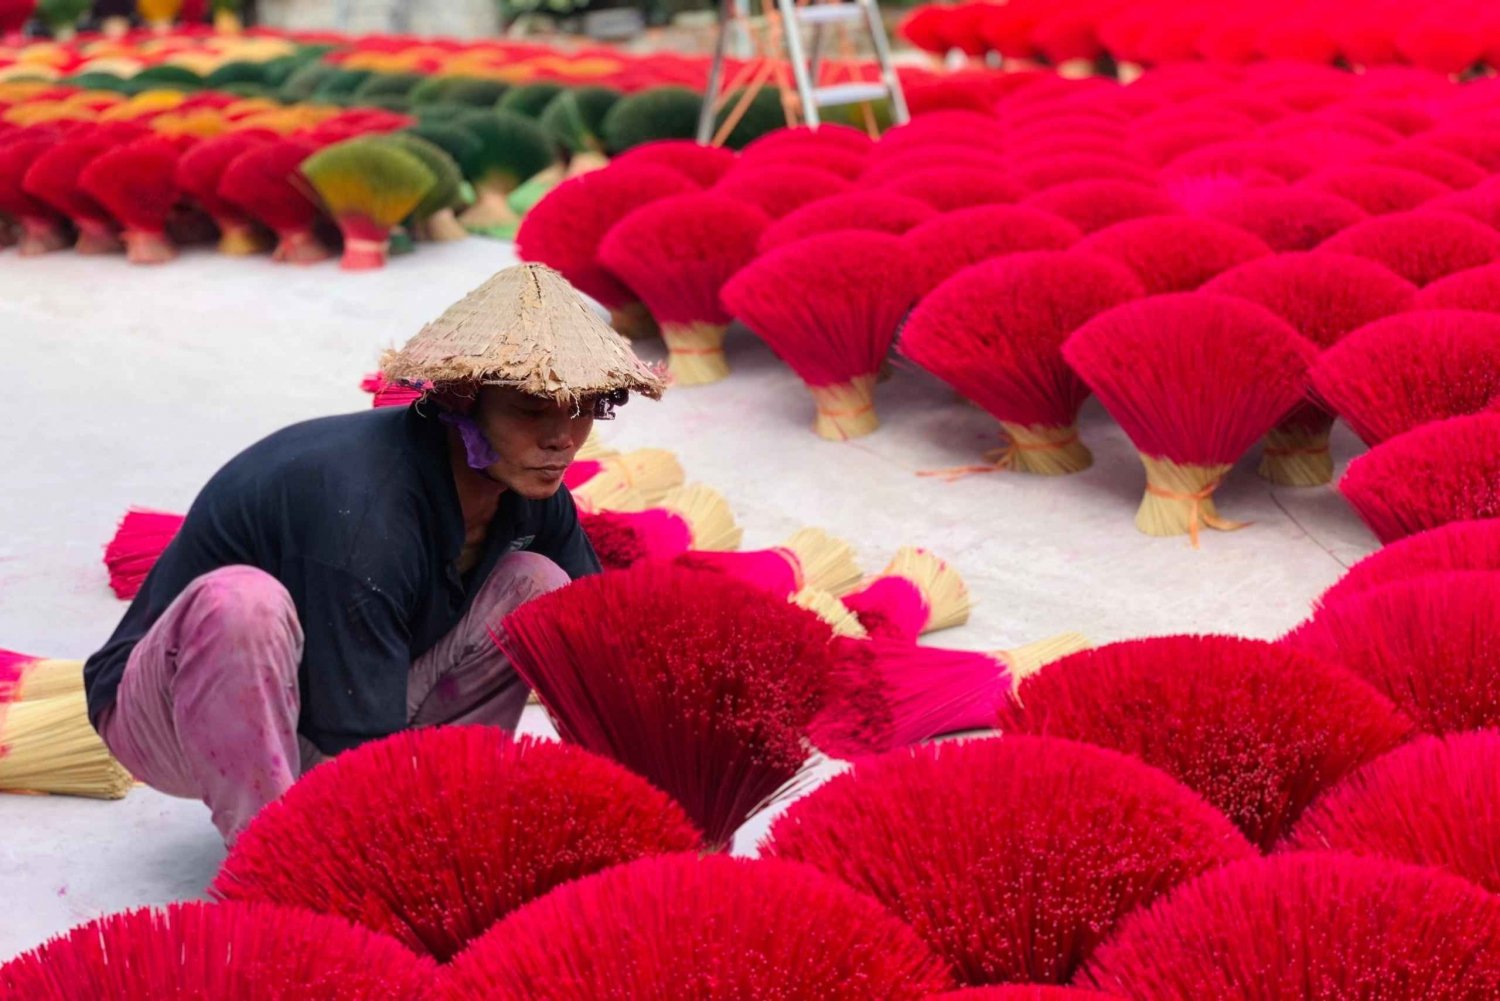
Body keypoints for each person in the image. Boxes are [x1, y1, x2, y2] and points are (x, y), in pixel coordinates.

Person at [83, 264, 665, 842]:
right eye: (531, 410)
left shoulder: (532, 489)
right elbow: (359, 751)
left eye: (582, 407)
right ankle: (270, 860)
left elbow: (598, 643)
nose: (562, 437)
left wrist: (647, 804)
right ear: (463, 399)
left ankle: (461, 807)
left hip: (332, 699)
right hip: (171, 712)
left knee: (537, 584)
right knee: (243, 603)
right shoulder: (370, 510)